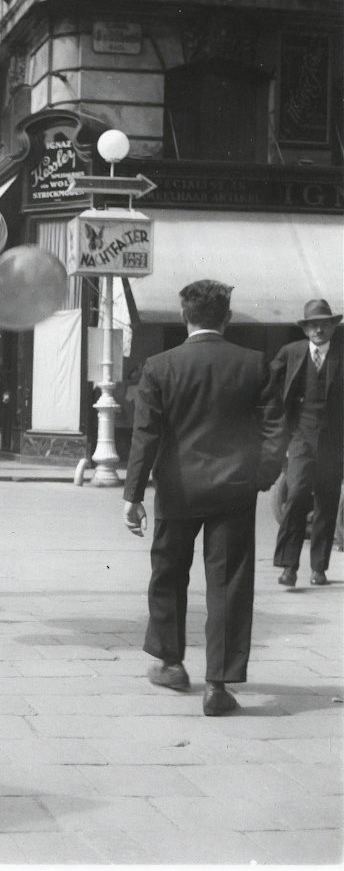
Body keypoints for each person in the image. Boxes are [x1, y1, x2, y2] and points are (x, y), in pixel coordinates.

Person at [123, 280, 283, 717]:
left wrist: (133, 495)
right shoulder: (254, 364)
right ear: (226, 318)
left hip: (177, 489)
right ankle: (218, 685)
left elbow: (147, 436)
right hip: (234, 489)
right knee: (229, 584)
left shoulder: (160, 366)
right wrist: (261, 477)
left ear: (184, 317)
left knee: (169, 574)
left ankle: (171, 663)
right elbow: (274, 429)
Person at [270, 299, 343, 588]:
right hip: (300, 438)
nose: (319, 329)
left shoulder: (341, 355)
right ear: (305, 329)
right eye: (313, 324)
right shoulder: (291, 353)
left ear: (333, 327)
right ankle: (289, 566)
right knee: (297, 493)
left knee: (327, 501)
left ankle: (319, 568)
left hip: (333, 443)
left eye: (324, 323)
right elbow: (268, 385)